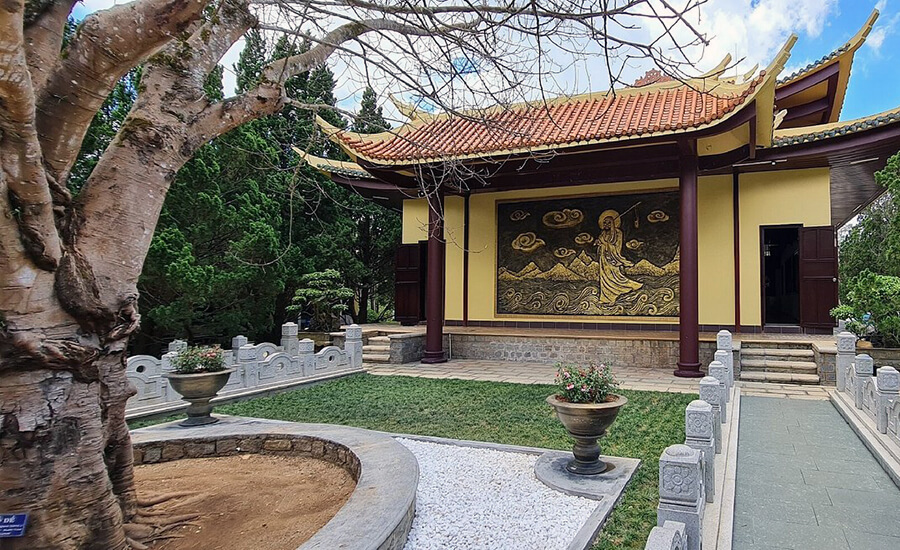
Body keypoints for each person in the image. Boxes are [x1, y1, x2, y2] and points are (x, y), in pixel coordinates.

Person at [595, 209, 643, 303]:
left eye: (609, 223)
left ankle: (622, 290)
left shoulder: (618, 233)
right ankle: (605, 297)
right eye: (605, 222)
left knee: (616, 277)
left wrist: (604, 243)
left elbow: (614, 244)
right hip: (603, 259)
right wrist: (598, 243)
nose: (606, 225)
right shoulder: (603, 234)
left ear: (613, 223)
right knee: (604, 277)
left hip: (612, 258)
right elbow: (602, 243)